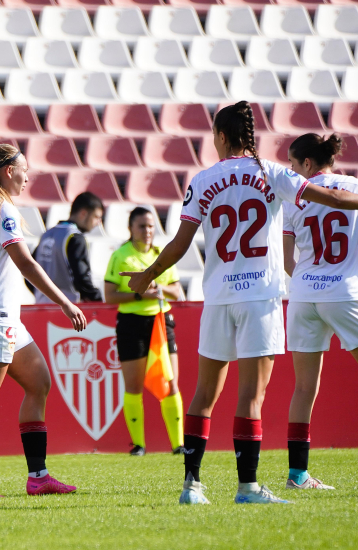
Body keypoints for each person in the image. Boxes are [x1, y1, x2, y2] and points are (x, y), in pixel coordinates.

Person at [121, 101, 358, 505]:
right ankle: (248, 487)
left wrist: (147, 275)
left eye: (214, 135)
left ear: (223, 137)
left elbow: (180, 243)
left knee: (203, 393)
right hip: (260, 296)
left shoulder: (203, 179)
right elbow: (329, 198)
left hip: (218, 296)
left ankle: (191, 486)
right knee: (251, 395)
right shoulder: (274, 173)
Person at [0, 144, 86, 498]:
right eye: (24, 169)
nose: (28, 176)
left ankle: (38, 477)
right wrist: (64, 302)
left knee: (39, 382)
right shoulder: (0, 206)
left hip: (0, 315)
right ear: (8, 171)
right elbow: (25, 263)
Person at [282, 133, 358, 491]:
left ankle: (297, 475)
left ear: (307, 165)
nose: (291, 170)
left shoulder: (293, 197)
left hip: (302, 294)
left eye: (293, 165)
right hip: (344, 291)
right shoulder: (353, 187)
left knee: (303, 388)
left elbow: (287, 261)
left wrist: (309, 277)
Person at [103, 207, 184, 456]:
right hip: (132, 322)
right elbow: (109, 296)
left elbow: (178, 292)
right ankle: (138, 445)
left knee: (170, 383)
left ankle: (178, 445)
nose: (147, 231)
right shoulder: (121, 256)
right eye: (142, 226)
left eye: (151, 226)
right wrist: (139, 292)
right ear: (131, 229)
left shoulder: (163, 256)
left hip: (161, 321)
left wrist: (157, 285)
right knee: (134, 385)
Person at [33, 192, 104, 304]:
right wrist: (98, 299)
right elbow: (81, 278)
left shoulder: (47, 235)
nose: (98, 223)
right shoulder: (75, 237)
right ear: (83, 213)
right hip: (68, 308)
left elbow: (30, 273)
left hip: (42, 306)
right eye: (96, 217)